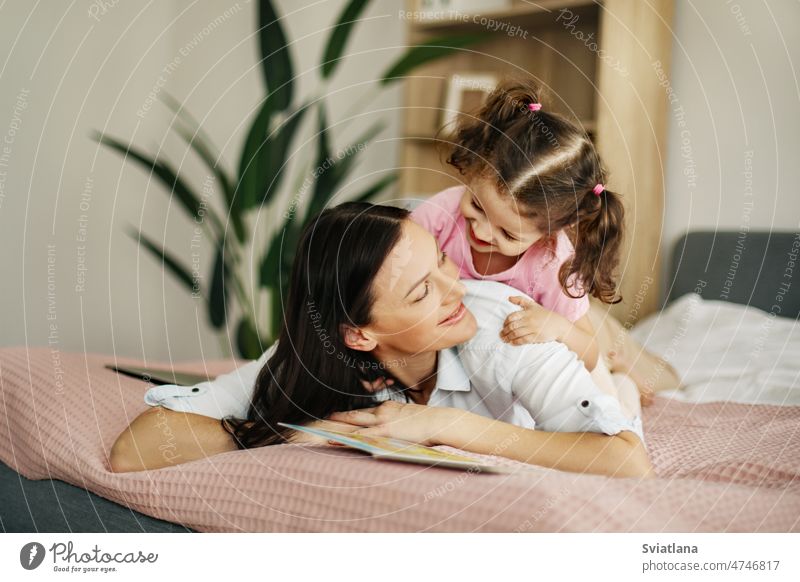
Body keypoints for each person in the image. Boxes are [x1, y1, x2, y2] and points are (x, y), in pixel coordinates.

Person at [110, 203, 653, 479]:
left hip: (578, 387)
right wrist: (302, 433)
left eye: (443, 263)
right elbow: (135, 450)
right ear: (358, 335)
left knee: (620, 386)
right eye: (422, 292)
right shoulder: (316, 354)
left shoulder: (506, 328)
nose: (454, 289)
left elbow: (628, 461)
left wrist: (448, 426)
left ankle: (623, 365)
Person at [410, 76, 681, 411]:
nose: (481, 232)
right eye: (476, 207)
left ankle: (633, 371)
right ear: (472, 172)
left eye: (508, 234)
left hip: (574, 318)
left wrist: (559, 328)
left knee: (621, 366)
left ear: (551, 232)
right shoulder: (440, 213)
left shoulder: (554, 265)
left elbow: (588, 350)